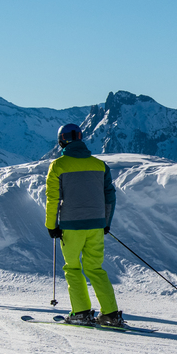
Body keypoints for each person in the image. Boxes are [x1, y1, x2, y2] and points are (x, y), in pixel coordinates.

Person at [45, 124, 123, 327]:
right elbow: (110, 197)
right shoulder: (99, 165)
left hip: (71, 226)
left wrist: (51, 225)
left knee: (72, 268)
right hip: (96, 225)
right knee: (95, 268)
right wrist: (106, 222)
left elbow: (53, 199)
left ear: (62, 140)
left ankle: (80, 312)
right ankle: (111, 314)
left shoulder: (58, 165)